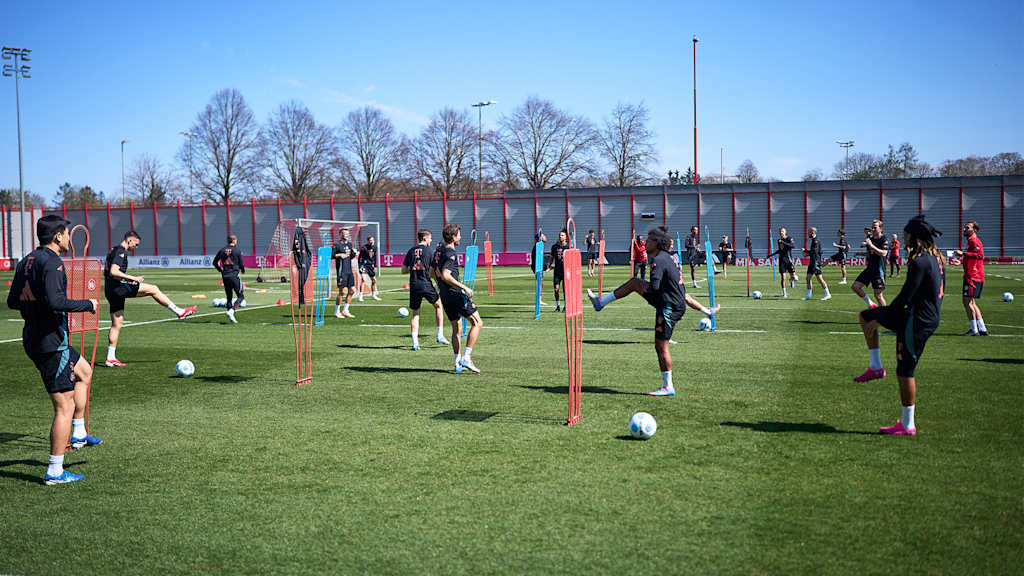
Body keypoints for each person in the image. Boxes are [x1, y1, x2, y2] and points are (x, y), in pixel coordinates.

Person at [7, 215, 100, 484]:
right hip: (50, 342)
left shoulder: (26, 261)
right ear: (58, 236)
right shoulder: (53, 262)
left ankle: (79, 434)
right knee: (63, 405)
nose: (70, 238)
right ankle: (55, 471)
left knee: (84, 372)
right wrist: (88, 305)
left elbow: (13, 301)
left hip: (38, 337)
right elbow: (57, 302)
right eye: (67, 234)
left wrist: (34, 310)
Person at [587, 226, 719, 397]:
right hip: (672, 303)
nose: (645, 243)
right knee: (635, 282)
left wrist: (644, 288)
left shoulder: (658, 260)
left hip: (668, 306)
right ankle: (601, 303)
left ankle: (668, 387)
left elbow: (654, 288)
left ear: (656, 243)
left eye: (648, 240)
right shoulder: (669, 258)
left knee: (661, 347)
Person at [853, 215, 945, 436]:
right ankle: (875, 368)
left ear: (914, 236)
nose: (903, 239)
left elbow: (905, 295)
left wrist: (881, 320)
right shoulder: (935, 258)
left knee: (905, 370)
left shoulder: (920, 261)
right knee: (865, 315)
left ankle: (907, 425)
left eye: (905, 234)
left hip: (918, 320)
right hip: (915, 314)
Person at [104, 231, 197, 367]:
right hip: (118, 289)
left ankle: (110, 358)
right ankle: (178, 311)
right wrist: (133, 278)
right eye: (136, 244)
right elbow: (114, 271)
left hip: (110, 290)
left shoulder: (112, 250)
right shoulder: (120, 251)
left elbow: (109, 274)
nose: (136, 247)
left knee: (116, 324)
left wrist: (125, 281)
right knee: (153, 289)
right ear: (130, 240)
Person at [432, 224, 483, 373]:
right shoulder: (450, 253)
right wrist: (464, 287)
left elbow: (431, 272)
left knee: (457, 328)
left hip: (445, 296)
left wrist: (440, 286)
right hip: (455, 294)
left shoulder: (438, 251)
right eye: (459, 235)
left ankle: (457, 363)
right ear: (453, 237)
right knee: (478, 323)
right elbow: (446, 275)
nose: (460, 237)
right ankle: (466, 357)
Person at [402, 229, 448, 350]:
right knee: (438, 306)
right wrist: (439, 283)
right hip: (426, 283)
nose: (431, 240)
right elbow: (434, 271)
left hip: (414, 284)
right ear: (425, 238)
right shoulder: (430, 251)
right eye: (430, 238)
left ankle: (415, 343)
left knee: (415, 314)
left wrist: (413, 268)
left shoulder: (411, 251)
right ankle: (440, 335)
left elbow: (403, 271)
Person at [954, 220, 988, 336]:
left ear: (974, 230)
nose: (964, 229)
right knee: (972, 302)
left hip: (973, 276)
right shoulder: (970, 241)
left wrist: (963, 254)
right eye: (964, 227)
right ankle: (982, 329)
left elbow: (980, 255)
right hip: (973, 275)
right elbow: (972, 258)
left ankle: (974, 330)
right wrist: (961, 261)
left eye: (967, 228)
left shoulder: (974, 241)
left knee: (967, 302)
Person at [852, 219, 889, 308]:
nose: (873, 229)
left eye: (875, 227)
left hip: (878, 271)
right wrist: (860, 254)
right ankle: (871, 304)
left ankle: (885, 316)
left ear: (880, 228)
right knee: (855, 287)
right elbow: (870, 253)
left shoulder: (883, 239)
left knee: (878, 296)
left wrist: (871, 245)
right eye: (872, 227)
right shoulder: (871, 239)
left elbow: (883, 253)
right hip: (869, 269)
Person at [213, 234, 245, 324]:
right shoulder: (237, 251)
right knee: (241, 296)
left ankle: (231, 318)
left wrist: (220, 270)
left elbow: (214, 262)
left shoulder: (222, 250)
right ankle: (231, 311)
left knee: (229, 298)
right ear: (234, 241)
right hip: (234, 275)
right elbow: (241, 264)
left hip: (225, 276)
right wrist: (242, 270)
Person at [802, 227, 832, 301]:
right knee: (808, 278)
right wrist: (808, 254)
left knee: (820, 279)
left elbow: (815, 252)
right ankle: (809, 295)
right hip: (812, 262)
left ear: (813, 232)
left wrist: (805, 251)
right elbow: (817, 252)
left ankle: (828, 294)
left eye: (809, 232)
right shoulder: (813, 241)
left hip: (815, 263)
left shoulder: (816, 241)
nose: (808, 234)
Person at [332, 228, 356, 318]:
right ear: (340, 235)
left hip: (349, 271)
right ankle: (336, 312)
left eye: (347, 234)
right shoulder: (336, 245)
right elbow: (331, 255)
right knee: (342, 292)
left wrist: (354, 253)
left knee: (352, 290)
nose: (346, 235)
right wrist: (339, 255)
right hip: (342, 272)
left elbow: (351, 257)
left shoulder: (349, 244)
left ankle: (345, 310)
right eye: (344, 234)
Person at [767, 226, 797, 298]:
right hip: (782, 260)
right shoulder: (779, 240)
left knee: (793, 276)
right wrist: (771, 255)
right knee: (783, 277)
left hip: (789, 260)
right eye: (780, 231)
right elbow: (780, 250)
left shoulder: (789, 238)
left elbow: (792, 246)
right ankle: (784, 293)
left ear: (785, 232)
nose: (781, 232)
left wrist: (783, 242)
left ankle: (791, 280)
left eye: (782, 231)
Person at [547, 229, 570, 311]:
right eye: (560, 235)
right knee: (556, 289)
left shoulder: (569, 247)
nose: (561, 237)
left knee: (565, 290)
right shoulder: (554, 246)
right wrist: (549, 266)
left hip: (565, 271)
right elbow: (552, 257)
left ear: (566, 237)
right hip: (557, 271)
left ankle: (566, 306)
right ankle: (557, 306)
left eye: (562, 235)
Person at [357, 235, 381, 302]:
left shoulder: (375, 247)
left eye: (373, 240)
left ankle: (373, 295)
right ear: (368, 241)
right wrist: (360, 266)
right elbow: (359, 258)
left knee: (374, 280)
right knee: (363, 280)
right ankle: (360, 296)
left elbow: (374, 257)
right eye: (370, 240)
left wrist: (374, 266)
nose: (372, 241)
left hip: (371, 266)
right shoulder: (364, 248)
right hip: (364, 265)